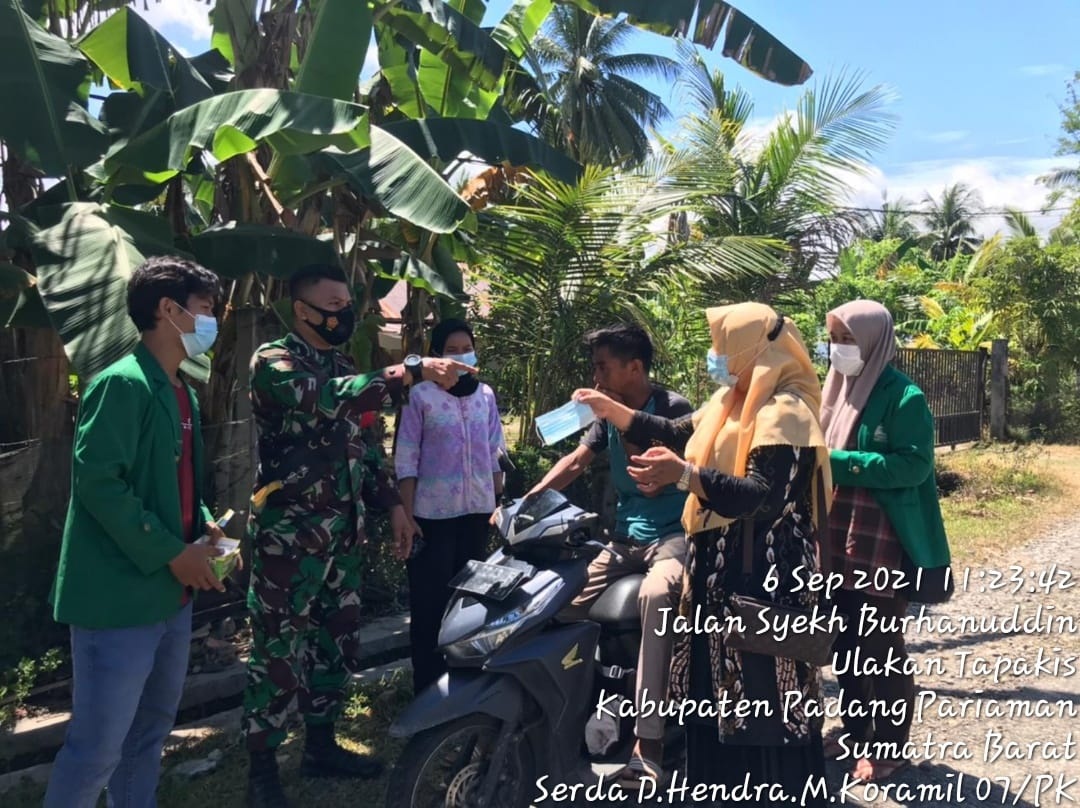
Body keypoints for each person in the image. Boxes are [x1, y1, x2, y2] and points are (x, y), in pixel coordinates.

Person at [573, 303, 832, 806]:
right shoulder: (730, 402)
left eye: (723, 348)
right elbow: (676, 431)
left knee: (768, 698)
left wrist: (685, 476)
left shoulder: (787, 412)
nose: (717, 358)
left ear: (751, 349)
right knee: (718, 696)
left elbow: (763, 497)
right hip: (717, 576)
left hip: (766, 580)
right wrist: (614, 412)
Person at [242, 264, 473, 808]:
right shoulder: (274, 361)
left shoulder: (343, 363)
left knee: (335, 642)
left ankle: (320, 746)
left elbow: (363, 449)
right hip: (289, 539)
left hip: (343, 535)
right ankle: (261, 769)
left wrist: (393, 505)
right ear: (302, 310)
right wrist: (411, 370)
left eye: (348, 305)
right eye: (334, 306)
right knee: (278, 650)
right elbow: (327, 398)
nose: (344, 314)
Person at [44, 256, 228, 808]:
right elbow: (100, 484)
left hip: (170, 595)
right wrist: (173, 552)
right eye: (205, 309)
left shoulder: (180, 390)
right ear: (168, 310)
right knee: (96, 748)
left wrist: (205, 527)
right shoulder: (121, 384)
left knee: (148, 734)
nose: (211, 322)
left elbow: (176, 480)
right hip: (119, 597)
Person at [528, 323, 692, 786]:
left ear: (634, 368)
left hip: (673, 537)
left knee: (656, 598)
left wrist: (617, 415)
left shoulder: (674, 410)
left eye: (602, 366)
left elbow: (652, 471)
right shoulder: (606, 413)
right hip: (622, 540)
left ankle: (648, 743)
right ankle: (565, 720)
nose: (595, 376)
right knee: (557, 603)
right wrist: (527, 503)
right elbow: (577, 460)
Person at [819, 300, 948, 783]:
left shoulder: (904, 396)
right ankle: (856, 732)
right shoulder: (835, 389)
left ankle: (890, 744)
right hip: (834, 534)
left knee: (879, 645)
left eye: (848, 339)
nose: (838, 349)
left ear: (874, 342)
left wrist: (840, 462)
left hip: (880, 540)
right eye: (834, 338)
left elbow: (914, 465)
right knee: (844, 642)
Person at [394, 318, 506, 692]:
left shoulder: (485, 395)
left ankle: (463, 684)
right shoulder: (421, 396)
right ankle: (427, 688)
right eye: (451, 350)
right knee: (430, 604)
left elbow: (495, 450)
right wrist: (407, 514)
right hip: (432, 516)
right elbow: (406, 457)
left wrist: (499, 502)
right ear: (437, 355)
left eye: (467, 349)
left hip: (477, 514)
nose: (461, 356)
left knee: (469, 602)